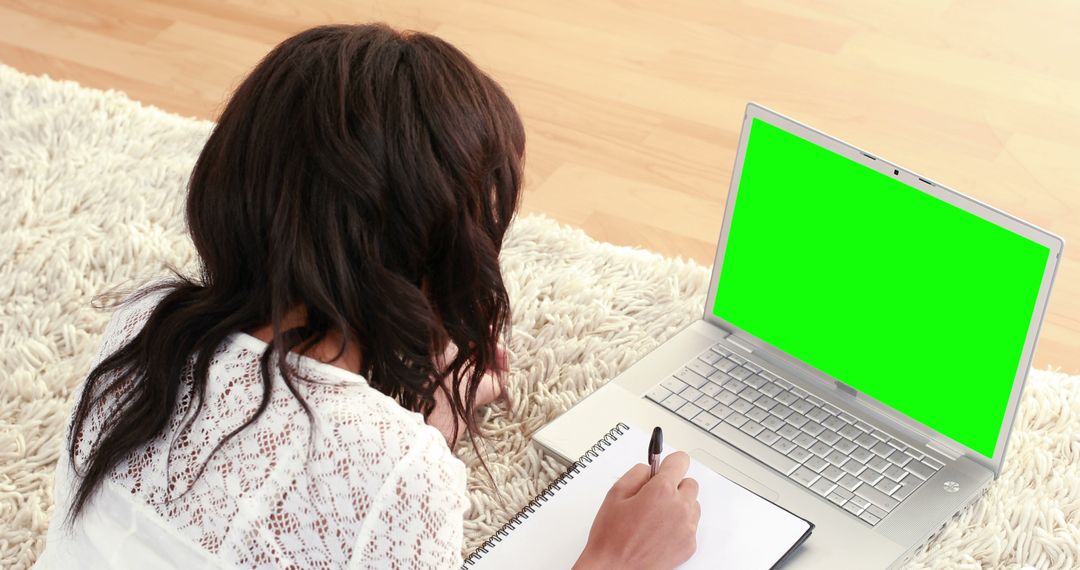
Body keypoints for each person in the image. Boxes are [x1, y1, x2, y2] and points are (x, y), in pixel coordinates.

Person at [33, 23, 700, 569]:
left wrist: (407, 418)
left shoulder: (144, 323)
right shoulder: (399, 470)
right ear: (440, 258)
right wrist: (616, 559)